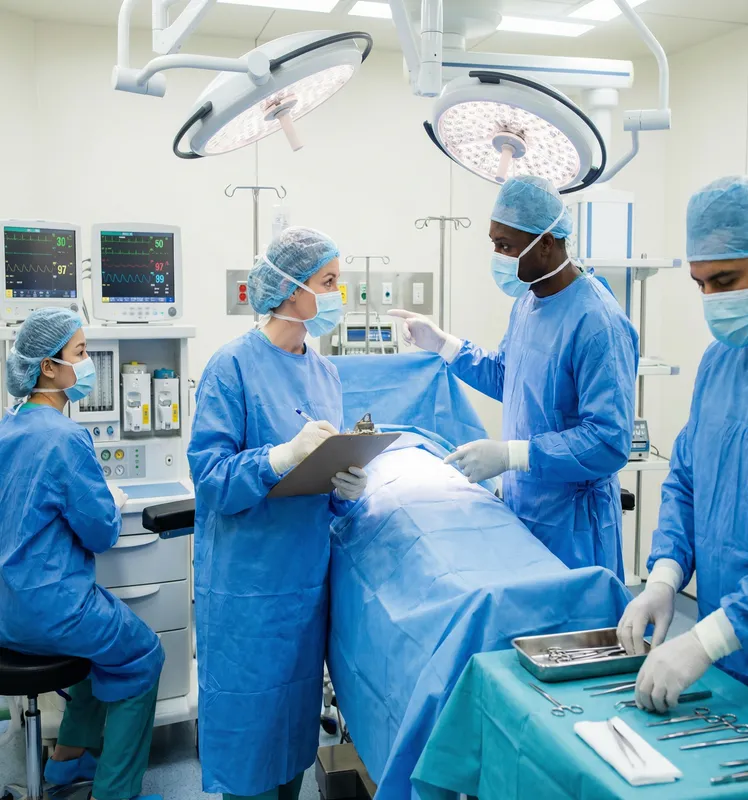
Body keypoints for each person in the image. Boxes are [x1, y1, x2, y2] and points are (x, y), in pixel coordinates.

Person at [188, 227, 369, 800]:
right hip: (248, 593)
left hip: (302, 589)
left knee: (293, 738)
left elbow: (322, 486)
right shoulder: (231, 367)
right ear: (290, 291)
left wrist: (346, 484)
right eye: (330, 283)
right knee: (251, 747)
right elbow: (212, 480)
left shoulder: (326, 372)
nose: (341, 295)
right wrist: (279, 456)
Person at [390, 176, 638, 579]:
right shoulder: (529, 301)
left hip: (574, 525)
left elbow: (608, 441)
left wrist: (512, 456)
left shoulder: (598, 322)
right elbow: (510, 376)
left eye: (505, 246)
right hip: (527, 506)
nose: (497, 255)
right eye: (493, 243)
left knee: (571, 634)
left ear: (546, 243)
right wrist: (444, 345)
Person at [617, 176, 748, 715]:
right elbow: (686, 480)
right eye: (700, 284)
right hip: (726, 657)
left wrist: (709, 637)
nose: (712, 300)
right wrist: (666, 575)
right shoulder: (719, 362)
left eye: (724, 280)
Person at [0, 308, 163, 800]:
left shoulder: (7, 429)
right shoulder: (66, 437)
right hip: (51, 610)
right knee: (143, 655)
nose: (88, 364)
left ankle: (66, 762)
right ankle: (116, 792)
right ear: (49, 367)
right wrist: (110, 503)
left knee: (101, 652)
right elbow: (99, 534)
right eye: (81, 353)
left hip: (6, 610)